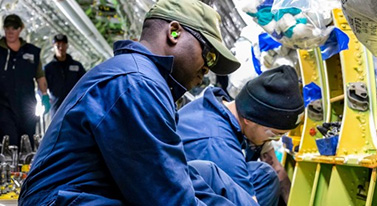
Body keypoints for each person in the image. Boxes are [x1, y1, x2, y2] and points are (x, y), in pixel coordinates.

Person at [18, 0, 259, 205]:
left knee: (205, 173)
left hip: (81, 195)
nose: (206, 70)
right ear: (174, 32)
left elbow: (179, 175)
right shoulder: (136, 84)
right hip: (58, 200)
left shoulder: (143, 78)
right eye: (208, 55)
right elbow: (168, 197)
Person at [176, 65, 305, 206]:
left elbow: (276, 167)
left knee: (263, 175)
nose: (274, 140)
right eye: (274, 135)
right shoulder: (218, 145)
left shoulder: (221, 108)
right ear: (249, 120)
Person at [0, 14, 50, 148]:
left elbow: (40, 76)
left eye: (14, 28)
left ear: (20, 29)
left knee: (27, 140)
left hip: (26, 104)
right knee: (9, 138)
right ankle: (8, 167)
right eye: (7, 27)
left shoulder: (32, 52)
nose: (10, 31)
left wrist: (45, 95)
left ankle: (26, 167)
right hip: (3, 105)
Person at [44, 34, 86, 117]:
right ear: (53, 47)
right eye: (58, 45)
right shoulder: (48, 68)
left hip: (75, 107)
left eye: (63, 45)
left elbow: (85, 83)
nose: (61, 48)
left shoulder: (77, 66)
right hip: (57, 108)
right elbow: (43, 86)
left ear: (67, 46)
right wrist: (44, 97)